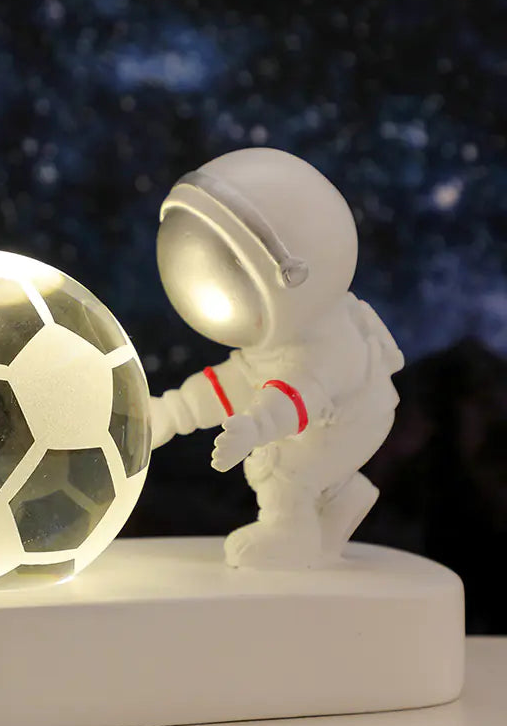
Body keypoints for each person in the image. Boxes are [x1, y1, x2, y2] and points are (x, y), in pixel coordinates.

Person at [150, 148, 404, 568]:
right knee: (277, 437)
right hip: (323, 407)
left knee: (276, 463)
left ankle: (292, 534)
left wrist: (257, 426)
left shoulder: (325, 346)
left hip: (351, 419)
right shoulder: (284, 329)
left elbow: (294, 395)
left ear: (293, 272)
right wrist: (173, 413)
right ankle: (339, 500)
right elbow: (236, 381)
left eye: (235, 265)